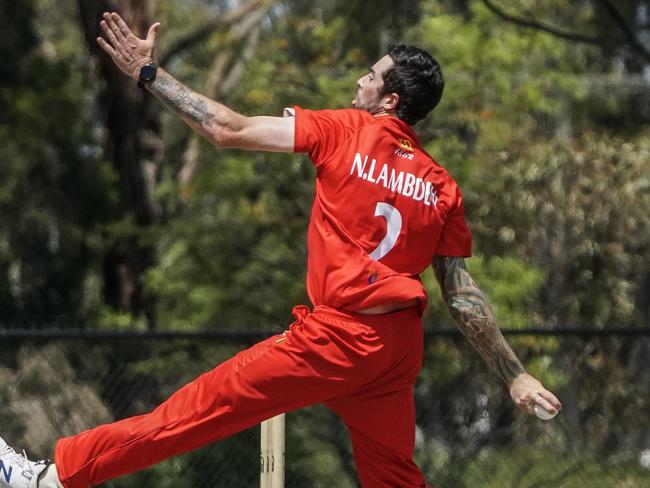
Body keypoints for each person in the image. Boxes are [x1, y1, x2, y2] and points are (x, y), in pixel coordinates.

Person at [0, 11, 562, 488]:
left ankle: (52, 478)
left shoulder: (343, 129)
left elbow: (227, 128)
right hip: (394, 351)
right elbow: (461, 294)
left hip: (339, 337)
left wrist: (147, 73)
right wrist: (514, 375)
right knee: (395, 478)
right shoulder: (442, 185)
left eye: (370, 77)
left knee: (200, 409)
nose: (359, 83)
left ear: (390, 100)